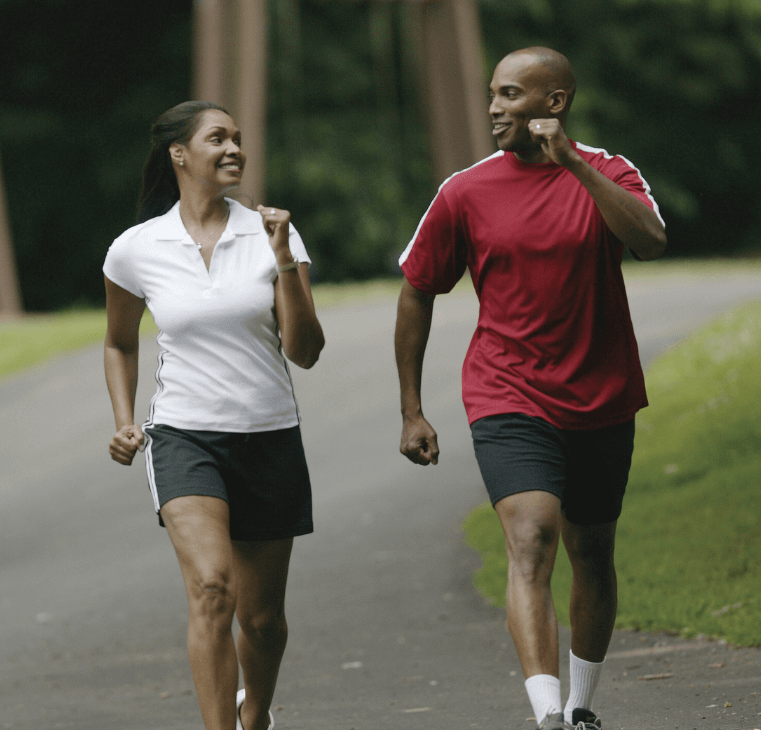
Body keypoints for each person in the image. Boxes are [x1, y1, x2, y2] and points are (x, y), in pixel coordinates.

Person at [393, 47, 666, 730]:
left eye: (511, 95)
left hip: (601, 393)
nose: (494, 109)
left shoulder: (609, 171)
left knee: (593, 554)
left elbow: (652, 240)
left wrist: (571, 163)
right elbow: (417, 290)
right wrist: (412, 409)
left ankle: (581, 707)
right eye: (492, 94)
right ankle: (547, 715)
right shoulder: (465, 190)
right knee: (532, 535)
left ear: (555, 103)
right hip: (507, 389)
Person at [102, 100, 325, 730]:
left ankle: (255, 714)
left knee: (262, 620)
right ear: (179, 154)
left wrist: (282, 258)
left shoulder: (273, 232)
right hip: (184, 439)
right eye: (216, 139)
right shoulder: (138, 249)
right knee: (212, 590)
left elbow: (306, 351)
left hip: (270, 437)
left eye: (237, 139)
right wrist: (124, 419)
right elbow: (120, 341)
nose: (234, 149)